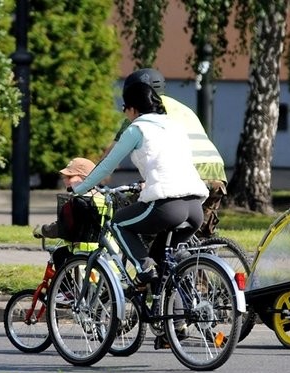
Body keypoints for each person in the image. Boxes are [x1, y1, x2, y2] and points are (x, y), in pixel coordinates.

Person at [73, 81, 209, 287]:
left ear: (133, 108)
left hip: (168, 206)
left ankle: (143, 269)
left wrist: (79, 189)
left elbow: (106, 166)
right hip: (195, 208)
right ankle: (171, 316)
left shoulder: (137, 129)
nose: (124, 113)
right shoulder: (175, 126)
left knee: (117, 224)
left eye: (124, 108)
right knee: (163, 265)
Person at [103, 68, 227, 238]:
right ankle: (203, 263)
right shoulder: (182, 107)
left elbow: (111, 157)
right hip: (216, 173)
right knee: (198, 238)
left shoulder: (143, 111)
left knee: (146, 217)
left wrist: (90, 180)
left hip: (187, 173)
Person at [32, 157, 99, 270]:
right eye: (64, 177)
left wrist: (42, 230)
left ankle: (64, 287)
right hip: (104, 252)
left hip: (80, 251)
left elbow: (62, 227)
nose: (64, 179)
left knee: (59, 255)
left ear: (84, 178)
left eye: (69, 176)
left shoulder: (76, 203)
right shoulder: (104, 199)